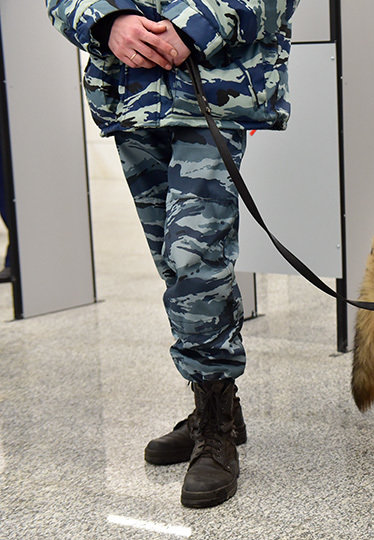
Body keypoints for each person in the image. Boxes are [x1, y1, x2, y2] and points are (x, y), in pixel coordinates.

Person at [47, 0, 298, 508]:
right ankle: (220, 404)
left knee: (195, 260)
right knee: (175, 265)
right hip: (131, 94)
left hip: (213, 83)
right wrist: (106, 21)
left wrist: (193, 26)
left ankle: (215, 430)